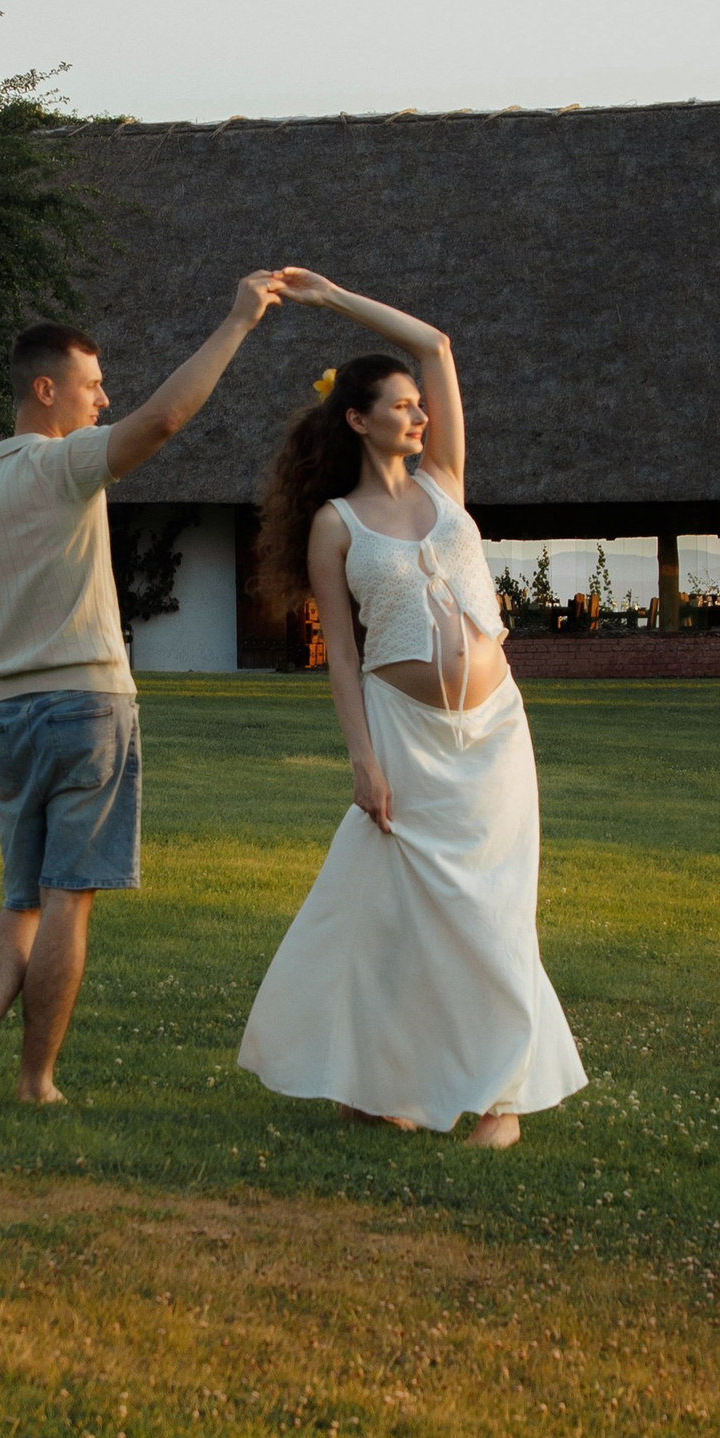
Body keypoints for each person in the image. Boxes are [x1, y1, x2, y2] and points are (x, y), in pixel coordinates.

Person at [236, 270, 584, 1147]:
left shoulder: (445, 481)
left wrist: (330, 298)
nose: (418, 413)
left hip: (495, 729)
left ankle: (500, 1104)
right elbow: (342, 655)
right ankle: (372, 1080)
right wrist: (363, 761)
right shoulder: (336, 525)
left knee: (496, 908)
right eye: (399, 406)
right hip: (406, 732)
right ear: (358, 419)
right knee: (393, 915)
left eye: (419, 407)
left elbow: (436, 345)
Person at [0, 278, 284, 1104]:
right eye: (93, 386)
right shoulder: (64, 466)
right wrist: (238, 318)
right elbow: (163, 419)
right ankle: (36, 1079)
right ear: (46, 389)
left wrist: (2, 686)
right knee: (67, 900)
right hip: (86, 706)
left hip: (5, 715)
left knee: (18, 899)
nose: (105, 399)